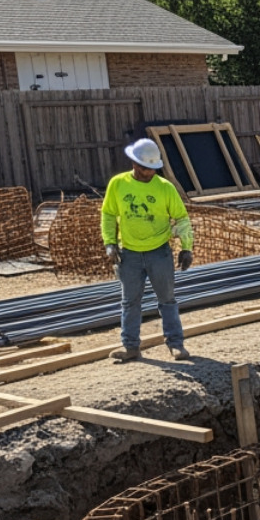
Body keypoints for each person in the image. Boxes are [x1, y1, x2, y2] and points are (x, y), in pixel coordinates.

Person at [101, 138, 193, 362]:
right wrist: (109, 243)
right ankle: (131, 347)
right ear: (134, 163)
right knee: (130, 302)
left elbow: (181, 218)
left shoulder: (165, 188)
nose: (150, 172)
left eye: (153, 169)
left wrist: (186, 248)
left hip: (159, 252)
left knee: (167, 300)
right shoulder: (118, 184)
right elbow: (108, 214)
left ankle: (176, 344)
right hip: (129, 254)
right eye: (145, 168)